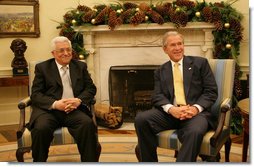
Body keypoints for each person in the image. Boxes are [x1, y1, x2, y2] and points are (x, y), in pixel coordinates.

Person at [134, 31, 218, 162]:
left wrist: (195, 108)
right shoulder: (160, 71)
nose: (178, 48)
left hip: (195, 115)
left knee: (195, 131)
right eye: (173, 45)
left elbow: (211, 91)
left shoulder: (200, 64)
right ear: (165, 49)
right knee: (141, 119)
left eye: (180, 44)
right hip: (171, 115)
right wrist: (171, 109)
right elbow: (157, 95)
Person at [28, 36, 98, 162]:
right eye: (61, 50)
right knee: (40, 129)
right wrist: (55, 104)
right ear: (53, 53)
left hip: (74, 110)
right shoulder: (42, 68)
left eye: (68, 50)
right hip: (49, 111)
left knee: (87, 124)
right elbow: (36, 94)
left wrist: (79, 101)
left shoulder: (80, 66)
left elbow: (91, 88)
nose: (66, 53)